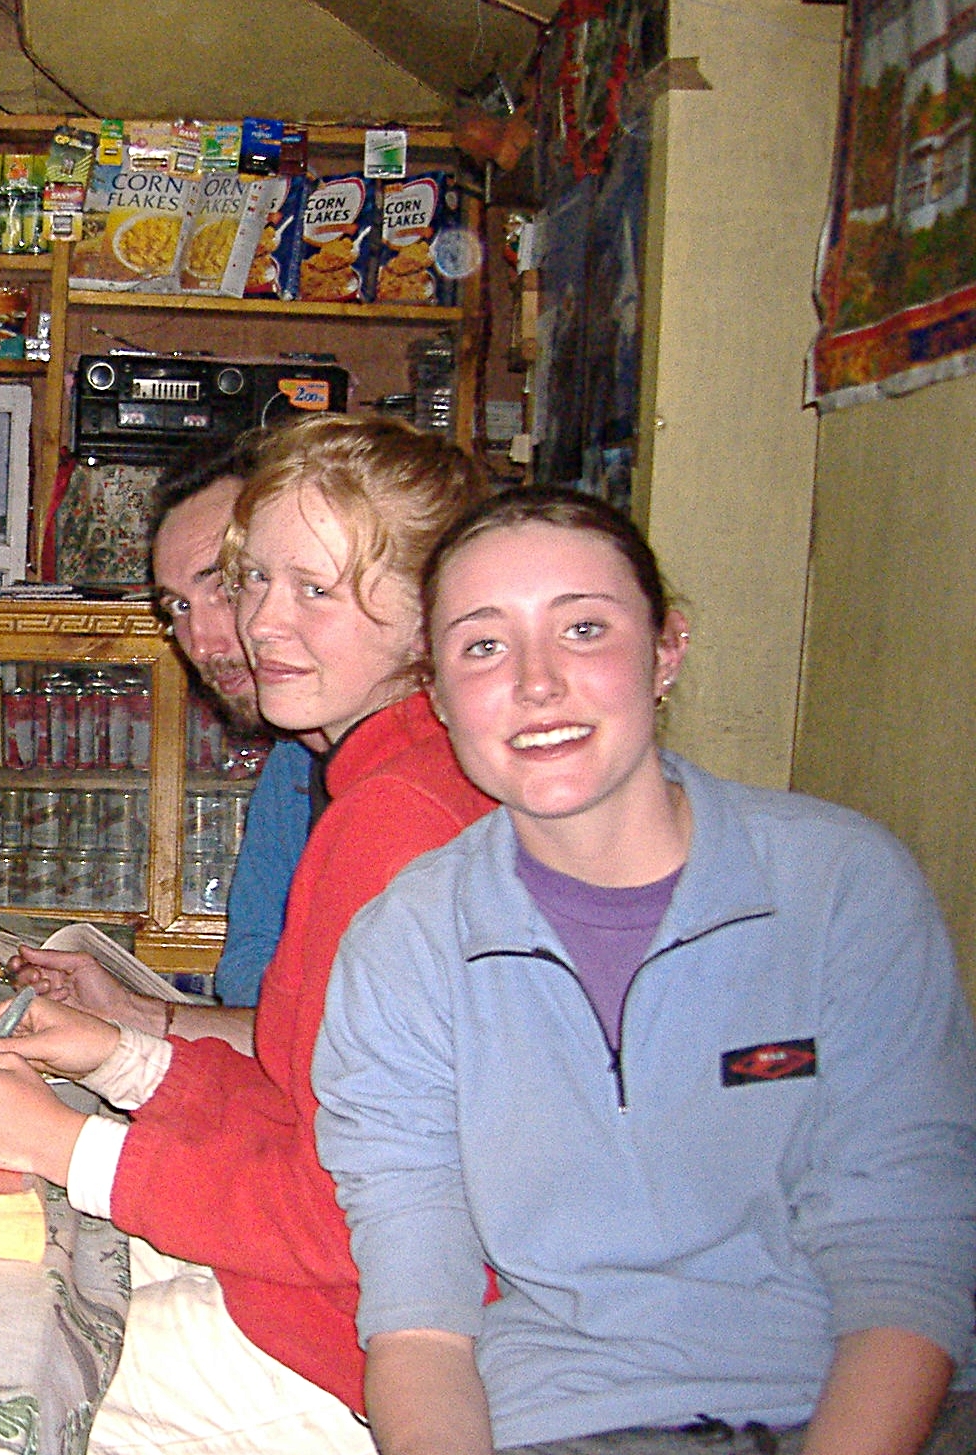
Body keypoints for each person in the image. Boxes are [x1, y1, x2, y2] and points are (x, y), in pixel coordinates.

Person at [313, 487, 976, 1455]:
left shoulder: (838, 886)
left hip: (855, 1405)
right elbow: (420, 1314)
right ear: (439, 695)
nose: (537, 683)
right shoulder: (405, 943)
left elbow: (905, 1250)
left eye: (583, 629)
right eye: (484, 646)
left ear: (666, 650)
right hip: (567, 1421)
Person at [0, 414, 494, 1455]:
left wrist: (61, 1142)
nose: (260, 623)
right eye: (252, 580)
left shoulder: (398, 821)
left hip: (351, 1355)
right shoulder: (378, 783)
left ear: (429, 614)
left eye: (315, 588)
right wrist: (122, 1056)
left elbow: (352, 1215)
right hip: (325, 1299)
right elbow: (301, 1101)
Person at [150, 435, 317, 1007]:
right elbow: (248, 972)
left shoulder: (421, 776)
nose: (200, 644)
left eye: (223, 588)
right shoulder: (295, 763)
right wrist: (132, 1017)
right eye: (178, 607)